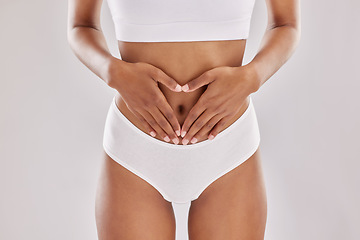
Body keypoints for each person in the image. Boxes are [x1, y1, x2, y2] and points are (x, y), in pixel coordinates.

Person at [67, 0, 301, 238]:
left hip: (228, 146)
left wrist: (254, 75)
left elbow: (286, 24)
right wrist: (111, 70)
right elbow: (81, 25)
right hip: (136, 146)